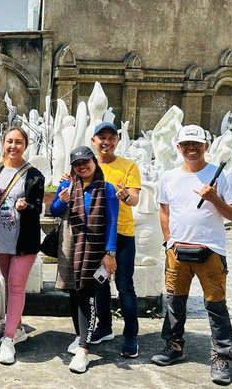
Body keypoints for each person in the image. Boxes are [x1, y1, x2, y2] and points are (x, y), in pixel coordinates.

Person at [151, 124, 232, 385]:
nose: (191, 148)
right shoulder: (168, 177)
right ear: (177, 147)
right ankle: (174, 347)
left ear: (206, 146)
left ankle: (221, 356)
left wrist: (214, 198)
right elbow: (165, 211)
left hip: (211, 250)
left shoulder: (221, 176)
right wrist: (169, 241)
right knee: (174, 302)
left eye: (196, 144)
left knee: (215, 305)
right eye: (186, 144)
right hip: (177, 251)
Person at [49, 146, 118, 373]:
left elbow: (111, 221)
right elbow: (54, 211)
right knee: (75, 292)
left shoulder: (107, 189)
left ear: (94, 162)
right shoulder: (67, 185)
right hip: (73, 248)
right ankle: (81, 337)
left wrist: (109, 253)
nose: (82, 166)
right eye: (77, 163)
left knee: (88, 295)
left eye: (86, 161)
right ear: (73, 167)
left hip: (95, 251)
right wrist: (62, 200)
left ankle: (83, 349)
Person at [0, 127, 44, 365]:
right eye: (10, 141)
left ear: (25, 145)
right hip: (1, 240)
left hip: (24, 241)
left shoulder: (34, 175)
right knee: (9, 285)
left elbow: (38, 207)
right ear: (3, 143)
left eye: (19, 142)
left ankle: (8, 339)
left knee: (16, 286)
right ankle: (17, 328)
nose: (13, 146)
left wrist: (25, 207)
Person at [87, 122, 142, 357]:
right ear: (93, 140)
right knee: (99, 285)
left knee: (124, 286)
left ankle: (131, 336)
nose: (106, 141)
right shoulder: (87, 165)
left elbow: (135, 199)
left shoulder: (128, 166)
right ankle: (105, 327)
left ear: (118, 141)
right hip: (95, 235)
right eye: (102, 137)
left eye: (111, 137)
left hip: (122, 234)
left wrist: (125, 195)